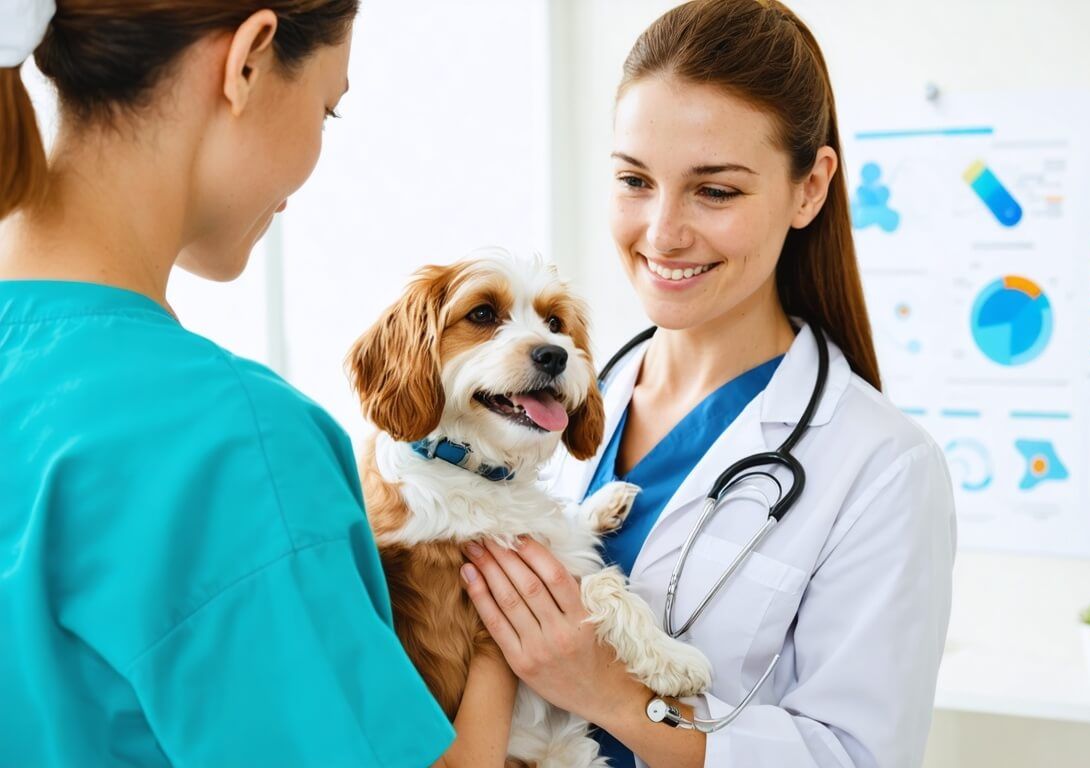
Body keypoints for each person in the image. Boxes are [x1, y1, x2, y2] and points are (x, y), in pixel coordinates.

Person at [0, 2, 512, 764]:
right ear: (248, 60)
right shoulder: (232, 444)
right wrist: (500, 641)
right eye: (327, 109)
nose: (315, 152)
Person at [458, 1, 958, 766]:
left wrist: (610, 692)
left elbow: (859, 758)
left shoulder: (882, 467)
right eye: (634, 180)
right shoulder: (542, 396)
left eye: (714, 191)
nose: (662, 232)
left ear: (808, 188)